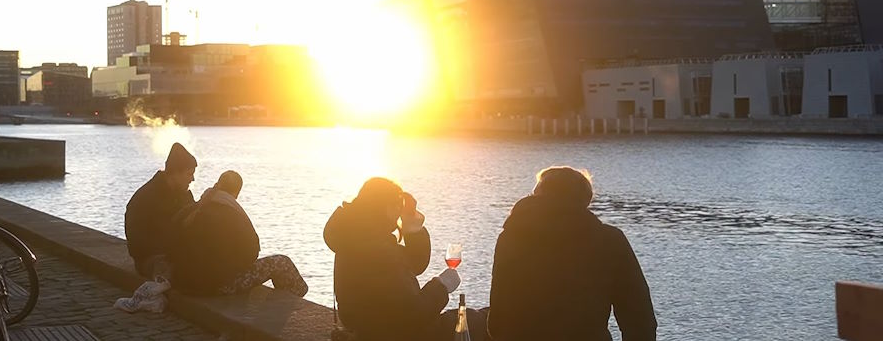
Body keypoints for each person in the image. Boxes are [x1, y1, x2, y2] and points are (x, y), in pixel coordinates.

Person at [488, 166, 657, 341]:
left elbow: (499, 312)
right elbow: (638, 314)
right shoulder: (609, 240)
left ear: (538, 195)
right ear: (584, 202)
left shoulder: (512, 236)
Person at [324, 177, 485, 341]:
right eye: (396, 205)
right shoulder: (379, 250)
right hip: (396, 332)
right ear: (384, 207)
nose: (399, 211)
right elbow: (414, 314)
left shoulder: (355, 236)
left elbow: (412, 264)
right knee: (479, 322)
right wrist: (442, 286)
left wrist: (413, 229)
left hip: (368, 328)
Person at [170, 170, 308, 297]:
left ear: (217, 184)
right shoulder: (232, 214)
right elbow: (252, 252)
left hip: (185, 281)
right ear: (236, 193)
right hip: (215, 286)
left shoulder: (194, 207)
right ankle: (292, 304)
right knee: (281, 262)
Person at [124, 142, 197, 279]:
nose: (192, 179)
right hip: (152, 259)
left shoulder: (184, 195)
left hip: (177, 253)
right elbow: (138, 243)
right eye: (189, 174)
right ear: (175, 173)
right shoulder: (145, 198)